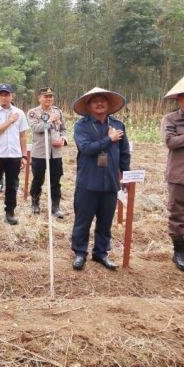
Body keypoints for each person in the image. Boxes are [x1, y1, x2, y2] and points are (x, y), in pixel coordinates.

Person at [70, 87, 130, 271]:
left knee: (105, 221)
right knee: (83, 219)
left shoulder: (118, 125)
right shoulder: (81, 126)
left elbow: (124, 152)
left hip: (110, 181)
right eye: (94, 100)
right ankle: (80, 252)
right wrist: (108, 139)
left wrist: (125, 175)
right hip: (88, 181)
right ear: (88, 106)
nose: (99, 103)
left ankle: (101, 253)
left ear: (109, 104)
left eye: (103, 99)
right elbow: (86, 148)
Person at [0, 84, 29, 226]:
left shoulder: (19, 113)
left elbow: (22, 136)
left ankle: (10, 213)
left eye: (7, 94)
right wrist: (9, 121)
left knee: (12, 185)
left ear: (12, 96)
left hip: (14, 155)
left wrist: (24, 155)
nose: (4, 97)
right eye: (1, 94)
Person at [27, 87, 69, 217]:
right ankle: (35, 203)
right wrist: (50, 120)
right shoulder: (33, 113)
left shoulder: (58, 111)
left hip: (55, 153)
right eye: (45, 96)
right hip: (39, 152)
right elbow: (36, 128)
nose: (48, 99)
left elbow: (63, 129)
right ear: (39, 98)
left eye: (50, 96)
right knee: (38, 179)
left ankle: (55, 206)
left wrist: (63, 139)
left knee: (56, 180)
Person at [163, 77, 184, 272]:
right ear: (179, 99)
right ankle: (179, 251)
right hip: (179, 175)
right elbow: (170, 141)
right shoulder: (170, 119)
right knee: (177, 214)